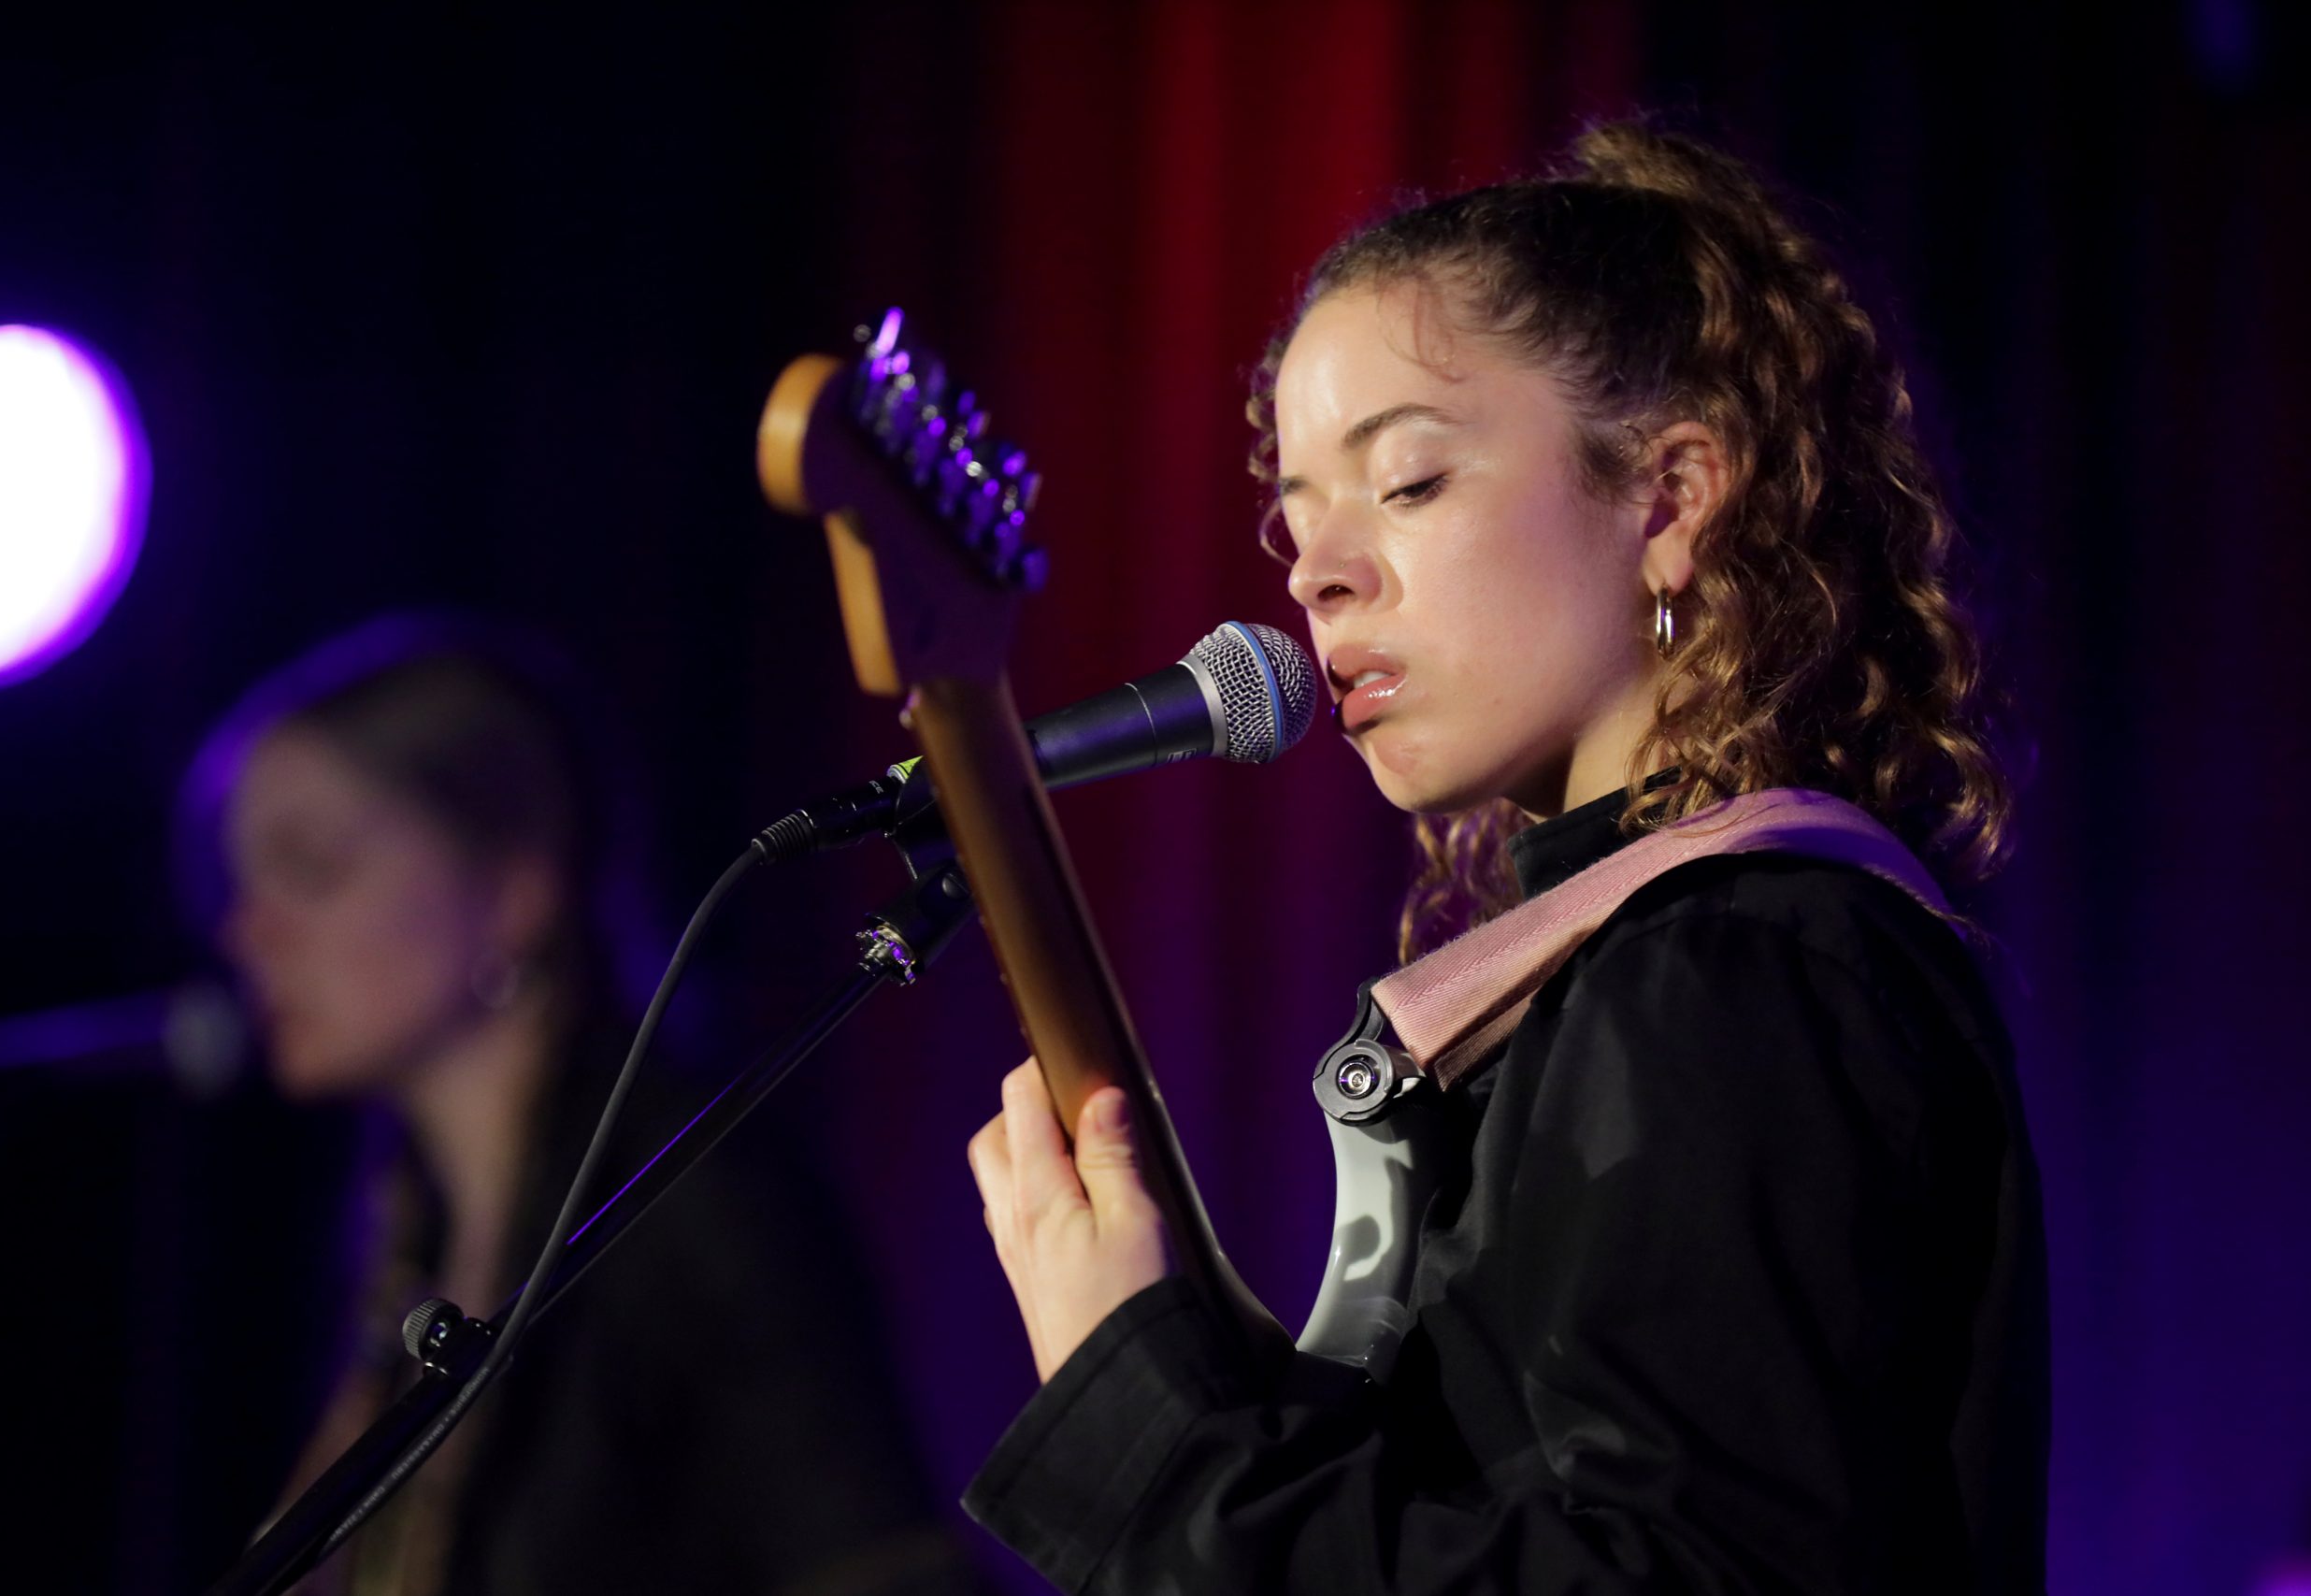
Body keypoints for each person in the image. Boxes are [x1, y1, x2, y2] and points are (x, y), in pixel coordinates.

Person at [962, 122, 2047, 1593]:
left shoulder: (1739, 960)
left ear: (1668, 497)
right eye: (1294, 522)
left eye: (1407, 484)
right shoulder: (1676, 962)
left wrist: (1151, 1442)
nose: (1318, 575)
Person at [194, 615, 975, 1596]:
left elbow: (885, 1572)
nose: (248, 930)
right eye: (241, 881)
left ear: (517, 886)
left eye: (313, 866)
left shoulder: (694, 1193)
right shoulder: (402, 1241)